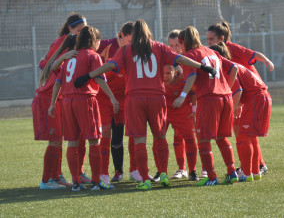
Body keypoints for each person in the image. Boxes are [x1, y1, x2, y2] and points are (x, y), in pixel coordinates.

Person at [74, 19, 216, 190]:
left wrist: (88, 76)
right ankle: (163, 173)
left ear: (133, 35)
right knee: (160, 137)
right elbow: (181, 59)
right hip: (157, 98)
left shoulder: (126, 49)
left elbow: (110, 65)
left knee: (139, 140)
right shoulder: (159, 47)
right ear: (148, 32)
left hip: (135, 99)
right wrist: (203, 67)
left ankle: (145, 179)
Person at [48, 25, 119, 191]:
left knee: (72, 142)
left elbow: (58, 83)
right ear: (94, 40)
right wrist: (112, 97)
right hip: (86, 101)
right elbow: (100, 79)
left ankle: (76, 183)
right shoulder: (92, 56)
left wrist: (52, 104)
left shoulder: (70, 58)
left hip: (67, 103)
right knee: (94, 140)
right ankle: (96, 182)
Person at [173, 26, 239, 186]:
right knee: (222, 138)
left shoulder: (190, 55)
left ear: (183, 42)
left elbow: (192, 77)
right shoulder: (212, 52)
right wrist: (226, 89)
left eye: (179, 43)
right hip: (226, 97)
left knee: (203, 139)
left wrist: (182, 95)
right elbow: (234, 68)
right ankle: (232, 172)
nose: (179, 47)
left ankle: (211, 176)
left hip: (209, 99)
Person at [206, 21, 274, 174]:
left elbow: (253, 55)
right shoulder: (218, 56)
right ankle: (253, 167)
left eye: (211, 39)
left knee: (244, 133)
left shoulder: (230, 50)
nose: (208, 43)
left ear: (221, 39)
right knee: (245, 133)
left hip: (249, 93)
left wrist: (268, 61)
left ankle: (251, 168)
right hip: (245, 94)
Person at [34, 13, 87, 189]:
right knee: (56, 139)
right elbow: (44, 64)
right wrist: (61, 59)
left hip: (63, 97)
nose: (82, 32)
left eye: (84, 29)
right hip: (50, 96)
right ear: (71, 29)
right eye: (80, 29)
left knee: (67, 137)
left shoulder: (79, 44)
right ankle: (47, 180)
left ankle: (60, 176)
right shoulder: (62, 42)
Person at [95, 21, 142, 183]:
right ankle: (104, 173)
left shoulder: (137, 49)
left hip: (126, 97)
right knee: (106, 133)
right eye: (131, 40)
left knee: (130, 133)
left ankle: (134, 170)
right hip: (104, 96)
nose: (133, 44)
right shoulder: (104, 46)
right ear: (122, 35)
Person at [152, 65, 198, 181]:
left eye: (168, 73)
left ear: (176, 72)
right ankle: (161, 172)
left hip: (182, 110)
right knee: (157, 139)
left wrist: (194, 111)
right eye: (163, 73)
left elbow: (193, 93)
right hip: (164, 110)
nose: (165, 77)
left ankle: (192, 171)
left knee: (190, 138)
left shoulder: (184, 79)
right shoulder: (155, 78)